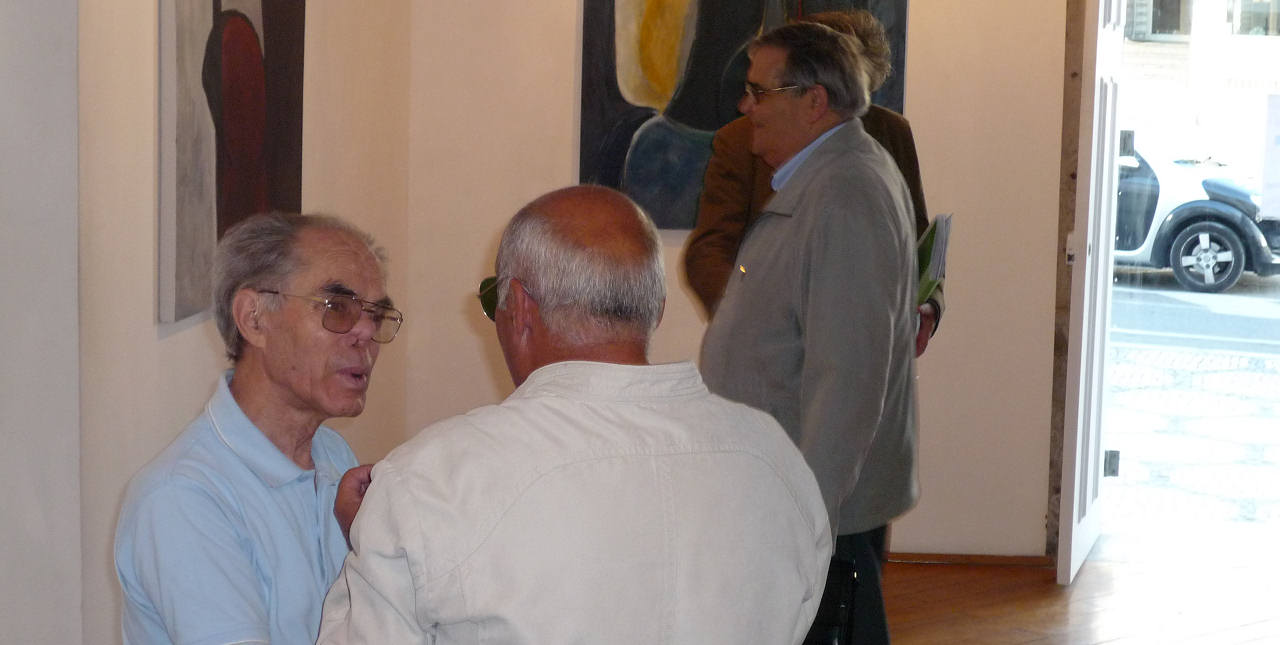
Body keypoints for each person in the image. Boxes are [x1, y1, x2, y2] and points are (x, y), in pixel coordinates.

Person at [317, 185, 831, 645]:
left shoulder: (430, 483)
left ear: (519, 308)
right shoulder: (776, 461)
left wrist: (378, 537)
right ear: (657, 310)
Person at [699, 22, 919, 645]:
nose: (745, 105)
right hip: (795, 487)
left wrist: (808, 513)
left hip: (820, 505)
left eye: (759, 91)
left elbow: (847, 377)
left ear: (814, 101)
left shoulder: (846, 192)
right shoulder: (823, 176)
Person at [114, 212, 402, 645]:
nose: (365, 332)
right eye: (337, 308)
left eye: (376, 314)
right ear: (254, 319)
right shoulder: (183, 498)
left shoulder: (332, 454)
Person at [683, 9, 942, 357]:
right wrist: (753, 320)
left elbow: (919, 244)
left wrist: (929, 307)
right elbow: (709, 254)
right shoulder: (742, 140)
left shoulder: (891, 132)